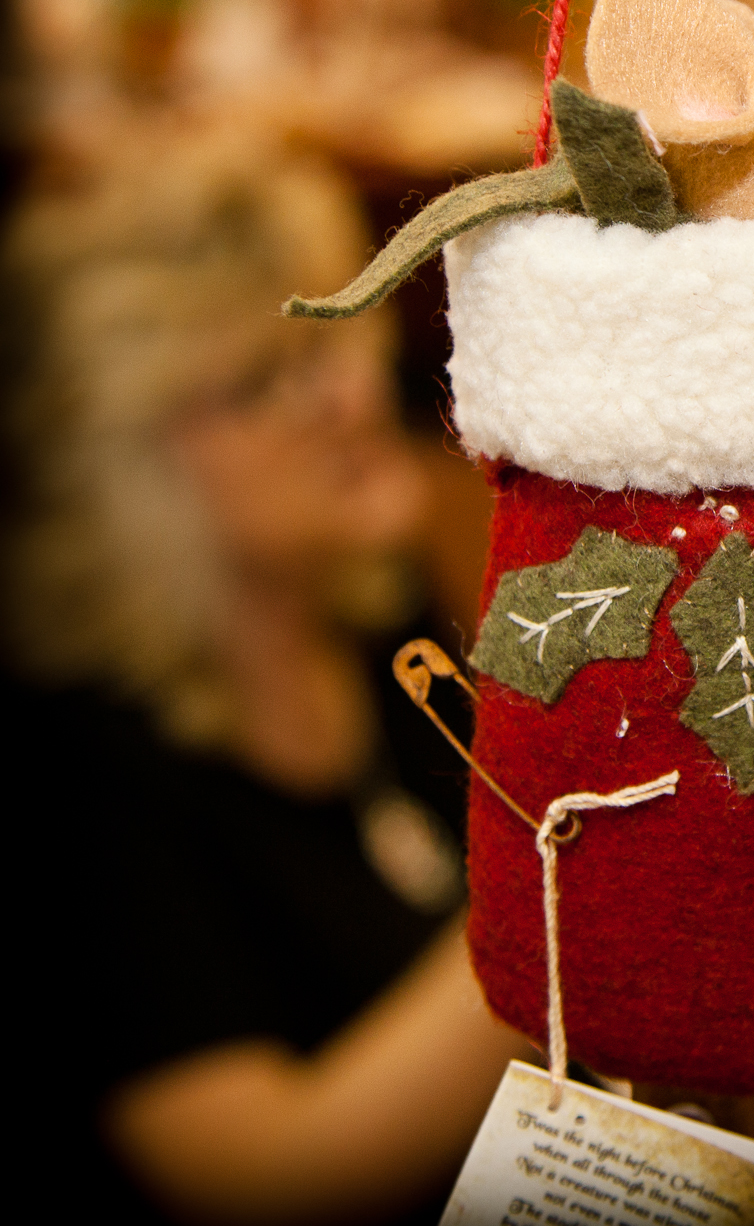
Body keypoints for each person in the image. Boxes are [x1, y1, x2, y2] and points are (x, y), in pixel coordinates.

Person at [6, 137, 526, 1224]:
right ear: (125, 470)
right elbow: (259, 1174)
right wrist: (580, 900)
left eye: (335, 333)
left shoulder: (369, 621)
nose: (351, 392)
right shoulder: (79, 766)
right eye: (263, 379)